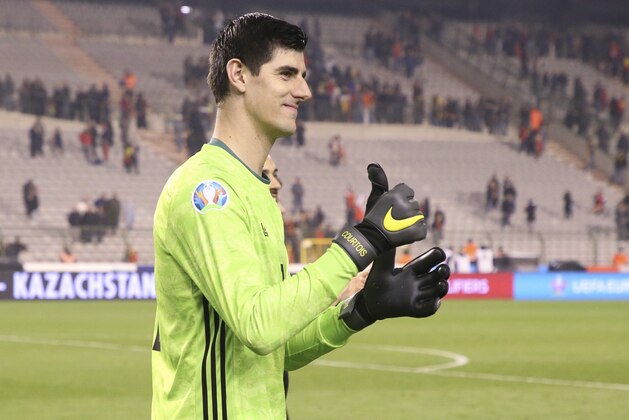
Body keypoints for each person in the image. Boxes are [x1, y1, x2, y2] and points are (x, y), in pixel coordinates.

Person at [151, 13, 448, 420]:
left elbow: (275, 349)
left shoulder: (256, 192)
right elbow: (258, 326)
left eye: (303, 75)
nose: (305, 91)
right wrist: (364, 240)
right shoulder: (207, 192)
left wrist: (361, 310)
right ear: (238, 74)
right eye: (287, 74)